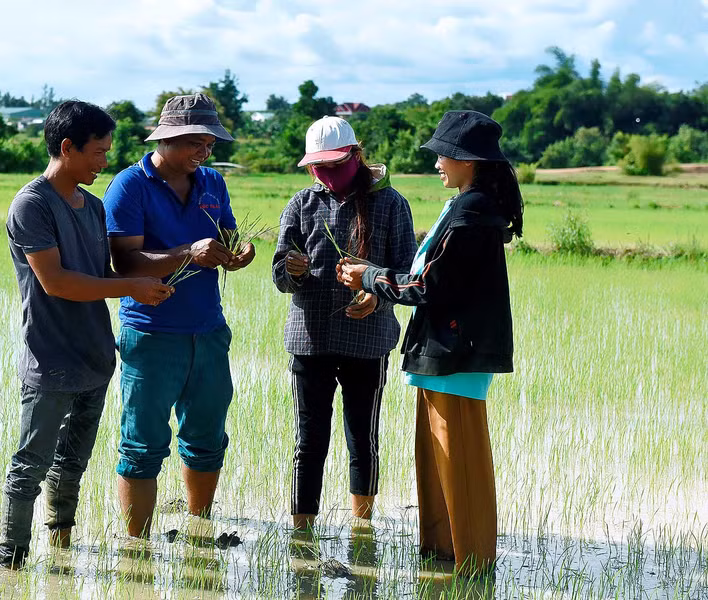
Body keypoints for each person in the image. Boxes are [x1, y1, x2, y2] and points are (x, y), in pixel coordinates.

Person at [337, 110, 523, 577]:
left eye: (444, 155)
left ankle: (473, 567)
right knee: (437, 462)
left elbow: (427, 286)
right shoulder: (466, 205)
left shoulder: (471, 212)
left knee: (459, 465)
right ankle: (443, 561)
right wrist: (375, 276)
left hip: (455, 354)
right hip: (443, 352)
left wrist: (370, 277)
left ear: (468, 160)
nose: (437, 162)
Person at [0, 100, 174, 569]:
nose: (104, 162)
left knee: (72, 462)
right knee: (30, 467)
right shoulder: (32, 205)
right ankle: (11, 563)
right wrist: (131, 287)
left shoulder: (94, 207)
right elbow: (57, 282)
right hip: (50, 359)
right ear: (67, 147)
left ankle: (61, 546)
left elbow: (102, 275)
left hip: (95, 357)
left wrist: (158, 275)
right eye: (98, 152)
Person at [102, 93, 255, 537]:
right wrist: (189, 252)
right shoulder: (130, 185)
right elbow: (124, 262)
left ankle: (200, 530)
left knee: (207, 437)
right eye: (194, 143)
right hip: (152, 333)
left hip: (208, 330)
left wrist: (238, 252)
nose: (204, 152)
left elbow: (226, 237)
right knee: (142, 444)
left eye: (209, 144)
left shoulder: (212, 182)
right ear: (165, 139)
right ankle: (137, 548)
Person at [272, 116, 417, 530]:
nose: (327, 174)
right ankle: (302, 531)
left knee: (362, 440)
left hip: (367, 342)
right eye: (319, 167)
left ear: (356, 156)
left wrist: (377, 296)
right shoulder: (302, 204)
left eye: (335, 165)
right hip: (310, 340)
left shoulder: (391, 204)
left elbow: (407, 273)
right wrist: (293, 269)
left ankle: (362, 528)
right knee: (309, 441)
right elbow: (280, 276)